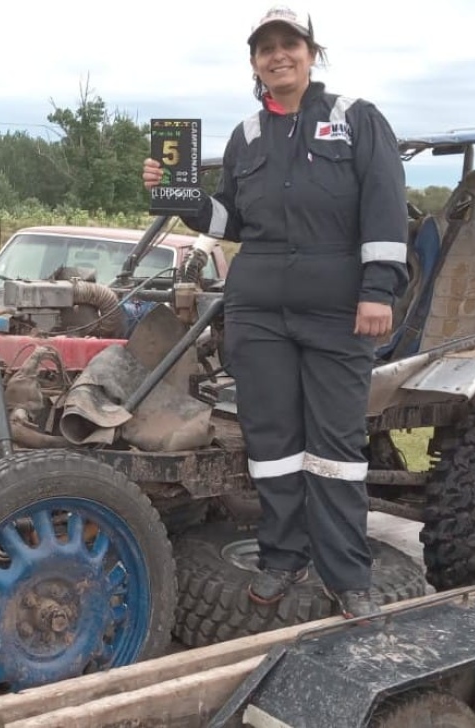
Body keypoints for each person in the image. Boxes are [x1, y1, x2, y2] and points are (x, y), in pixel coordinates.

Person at [142, 6, 408, 619]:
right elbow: (231, 221)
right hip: (259, 312)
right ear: (255, 63)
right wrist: (180, 195)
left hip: (339, 310)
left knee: (336, 448)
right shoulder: (246, 136)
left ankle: (348, 576)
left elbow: (386, 205)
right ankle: (283, 559)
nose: (278, 55)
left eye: (290, 44)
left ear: (312, 54)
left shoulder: (356, 119)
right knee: (273, 444)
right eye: (266, 48)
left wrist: (378, 290)